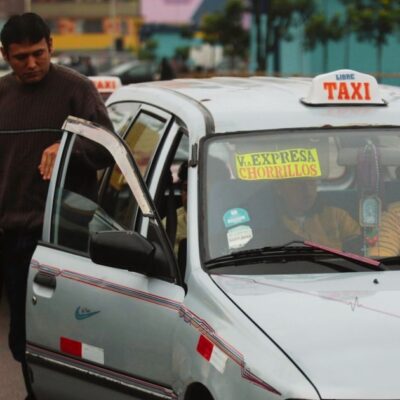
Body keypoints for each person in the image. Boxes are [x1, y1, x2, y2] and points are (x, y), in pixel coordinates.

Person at [0, 13, 113, 400]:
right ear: (5, 55)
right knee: (23, 335)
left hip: (68, 239)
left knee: (72, 335)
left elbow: (106, 150)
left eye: (37, 54)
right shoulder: (1, 96)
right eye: (20, 58)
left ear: (51, 46)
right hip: (13, 236)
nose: (31, 64)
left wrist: (67, 147)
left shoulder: (76, 90)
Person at [274, 178, 361, 250]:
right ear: (279, 188)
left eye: (312, 182)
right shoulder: (272, 225)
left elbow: (360, 248)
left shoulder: (336, 216)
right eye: (298, 183)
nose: (307, 191)